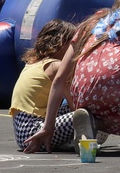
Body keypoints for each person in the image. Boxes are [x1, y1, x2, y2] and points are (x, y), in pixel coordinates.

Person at [23, 0, 120, 154]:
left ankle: (93, 122)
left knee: (98, 75)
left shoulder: (89, 25)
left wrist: (48, 126)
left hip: (84, 94)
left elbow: (60, 78)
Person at [10, 19, 79, 151]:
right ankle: (82, 140)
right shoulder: (56, 66)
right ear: (61, 43)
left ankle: (66, 141)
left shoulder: (34, 64)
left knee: (71, 110)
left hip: (24, 133)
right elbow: (74, 105)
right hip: (35, 131)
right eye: (73, 46)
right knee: (89, 114)